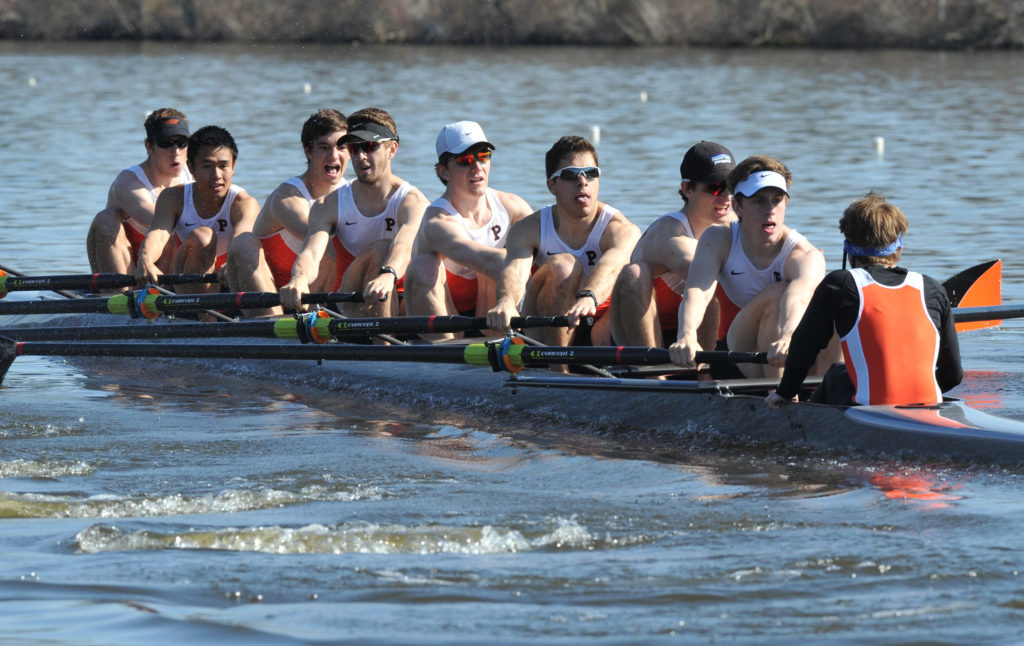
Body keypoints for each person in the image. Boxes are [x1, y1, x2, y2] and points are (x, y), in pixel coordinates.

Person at [766, 192, 962, 408]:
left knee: (835, 375)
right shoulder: (932, 288)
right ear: (899, 248)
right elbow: (953, 376)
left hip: (872, 411)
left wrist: (785, 393)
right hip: (930, 408)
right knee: (843, 374)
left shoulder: (841, 284)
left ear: (848, 250)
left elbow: (803, 349)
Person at [668, 155, 834, 378]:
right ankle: (781, 397)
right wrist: (686, 334)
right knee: (777, 294)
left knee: (838, 303)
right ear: (737, 206)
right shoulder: (719, 239)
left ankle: (818, 394)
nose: (770, 209)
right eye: (758, 201)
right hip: (740, 349)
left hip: (795, 343)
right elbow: (698, 291)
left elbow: (799, 298)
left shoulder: (804, 255)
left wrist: (787, 337)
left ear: (786, 203)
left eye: (777, 200)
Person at [486, 135, 641, 348]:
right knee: (564, 266)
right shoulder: (529, 229)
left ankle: (649, 374)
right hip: (545, 325)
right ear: (552, 186)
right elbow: (515, 271)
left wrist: (589, 296)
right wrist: (506, 301)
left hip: (599, 323)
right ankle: (559, 370)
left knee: (638, 278)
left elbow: (614, 264)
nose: (583, 181)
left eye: (591, 173)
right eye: (570, 175)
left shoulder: (619, 228)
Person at [280, 107, 429, 318]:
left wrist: (387, 275)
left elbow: (404, 247)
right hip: (350, 304)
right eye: (354, 148)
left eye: (369, 146)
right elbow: (311, 254)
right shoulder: (329, 205)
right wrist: (299, 279)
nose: (360, 156)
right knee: (380, 250)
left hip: (401, 298)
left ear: (392, 149)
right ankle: (383, 346)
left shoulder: (413, 202)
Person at [404, 121, 533, 339]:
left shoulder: (512, 207)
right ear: (443, 171)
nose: (477, 167)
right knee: (423, 266)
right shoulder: (438, 222)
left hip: (492, 315)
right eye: (465, 160)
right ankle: (446, 354)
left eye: (483, 155)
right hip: (446, 322)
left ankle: (507, 339)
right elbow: (493, 262)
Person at [222, 109, 350, 316]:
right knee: (243, 242)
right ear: (309, 151)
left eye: (341, 147)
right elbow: (315, 233)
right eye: (324, 147)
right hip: (270, 294)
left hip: (313, 299)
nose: (334, 155)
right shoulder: (287, 197)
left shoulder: (352, 193)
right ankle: (273, 327)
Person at [609, 140, 736, 349]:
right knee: (636, 273)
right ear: (687, 189)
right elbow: (708, 270)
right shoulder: (669, 232)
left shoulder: (739, 225)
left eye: (731, 185)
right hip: (643, 338)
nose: (726, 196)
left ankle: (706, 372)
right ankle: (653, 375)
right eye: (715, 187)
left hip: (692, 338)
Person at [134, 125, 260, 294]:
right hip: (184, 283)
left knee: (246, 252)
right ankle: (202, 315)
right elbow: (158, 234)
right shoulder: (173, 198)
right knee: (203, 237)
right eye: (207, 166)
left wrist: (232, 262)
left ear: (233, 167)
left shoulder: (244, 203)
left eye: (223, 166)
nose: (216, 175)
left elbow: (241, 240)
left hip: (228, 281)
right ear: (191, 168)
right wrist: (145, 259)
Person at [86, 108, 193, 277]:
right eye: (166, 143)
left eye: (182, 143)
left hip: (168, 267)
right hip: (129, 266)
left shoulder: (196, 175)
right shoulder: (129, 182)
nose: (176, 152)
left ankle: (174, 293)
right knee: (106, 219)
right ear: (149, 146)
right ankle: (118, 294)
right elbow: (157, 219)